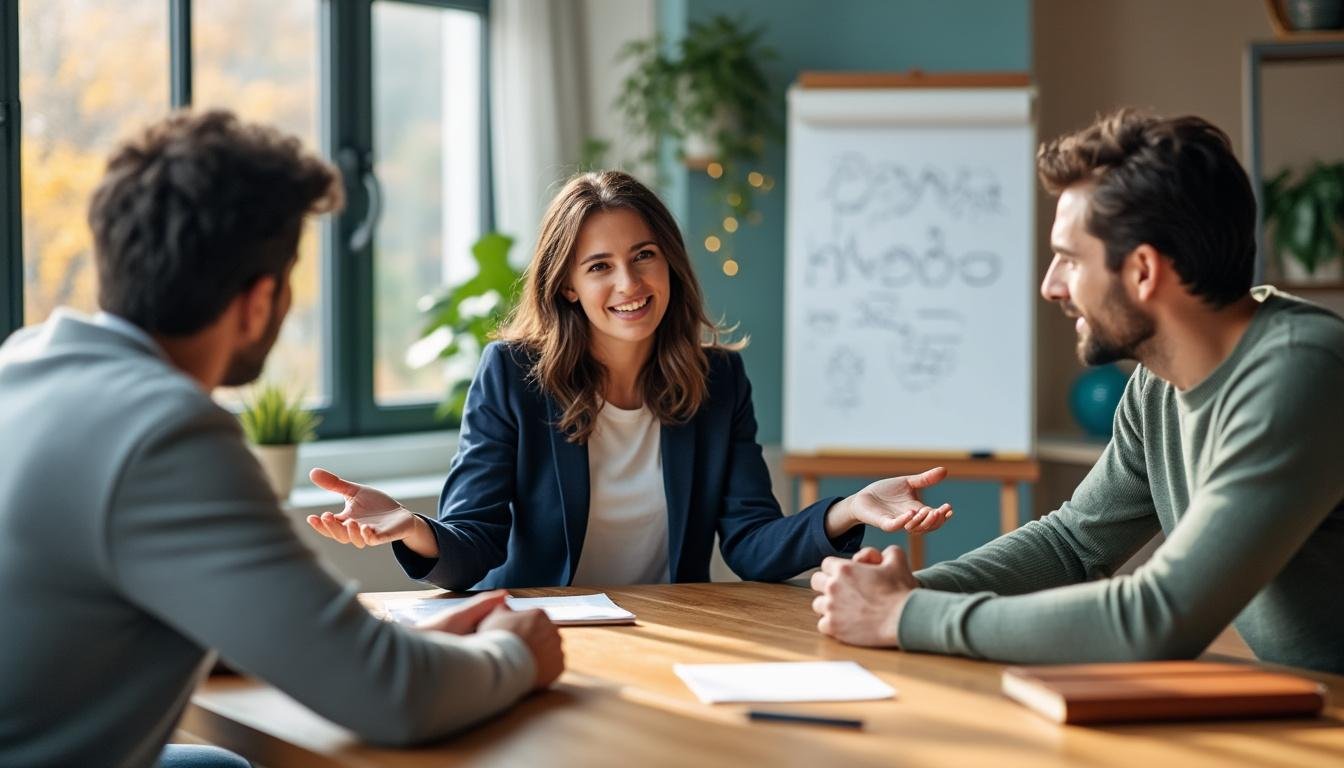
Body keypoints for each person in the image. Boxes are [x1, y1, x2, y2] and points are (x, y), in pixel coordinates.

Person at [0, 110, 563, 768]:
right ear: (260, 301)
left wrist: (403, 647)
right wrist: (515, 653)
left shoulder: (23, 362)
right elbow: (395, 699)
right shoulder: (165, 435)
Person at [810, 109, 1344, 675]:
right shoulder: (1157, 383)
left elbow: (1159, 618)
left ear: (1142, 271)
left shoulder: (1299, 371)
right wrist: (898, 591)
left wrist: (906, 614)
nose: (1050, 285)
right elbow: (1071, 547)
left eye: (1068, 258)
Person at [306, 170, 954, 590]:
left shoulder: (718, 380)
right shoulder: (513, 376)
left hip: (672, 636)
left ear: (668, 261)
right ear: (566, 285)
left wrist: (848, 508)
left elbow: (753, 542)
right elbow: (474, 546)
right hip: (539, 636)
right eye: (600, 266)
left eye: (643, 256)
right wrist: (408, 525)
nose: (629, 284)